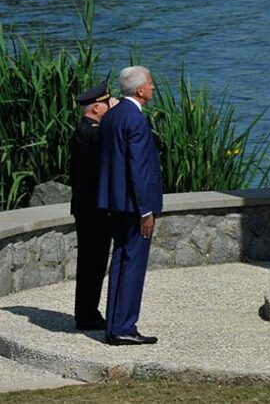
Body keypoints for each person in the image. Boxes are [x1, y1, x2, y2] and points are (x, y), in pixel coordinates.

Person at [97, 66, 164, 345]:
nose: (152, 87)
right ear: (140, 90)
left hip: (114, 202)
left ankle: (115, 324)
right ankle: (124, 326)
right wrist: (145, 210)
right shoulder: (135, 120)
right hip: (134, 206)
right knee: (133, 263)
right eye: (150, 83)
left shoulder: (112, 115)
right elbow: (138, 167)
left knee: (120, 261)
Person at [69, 84, 118, 331]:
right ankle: (87, 314)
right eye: (108, 104)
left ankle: (88, 311)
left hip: (91, 207)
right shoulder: (89, 132)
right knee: (92, 261)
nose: (112, 108)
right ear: (97, 108)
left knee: (95, 261)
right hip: (91, 209)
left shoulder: (88, 130)